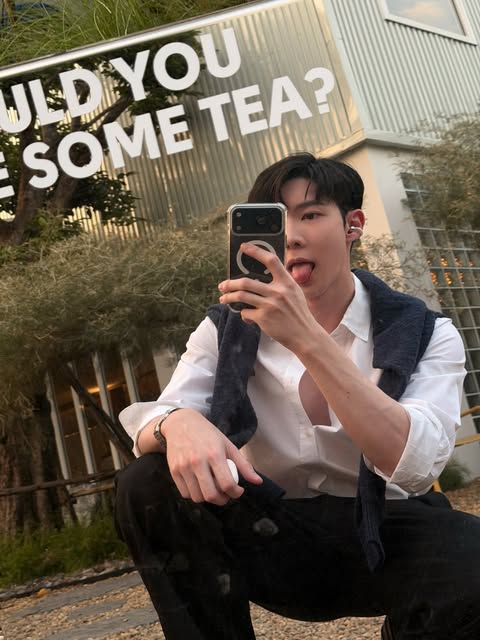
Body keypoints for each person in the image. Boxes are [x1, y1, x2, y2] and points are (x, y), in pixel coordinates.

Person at [114, 153, 480, 640]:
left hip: (386, 532)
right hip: (269, 534)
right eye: (274, 221)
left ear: (353, 225)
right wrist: (176, 422)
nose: (290, 236)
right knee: (147, 482)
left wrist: (306, 338)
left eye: (310, 215)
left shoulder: (424, 332)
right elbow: (152, 421)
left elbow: (415, 465)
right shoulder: (224, 328)